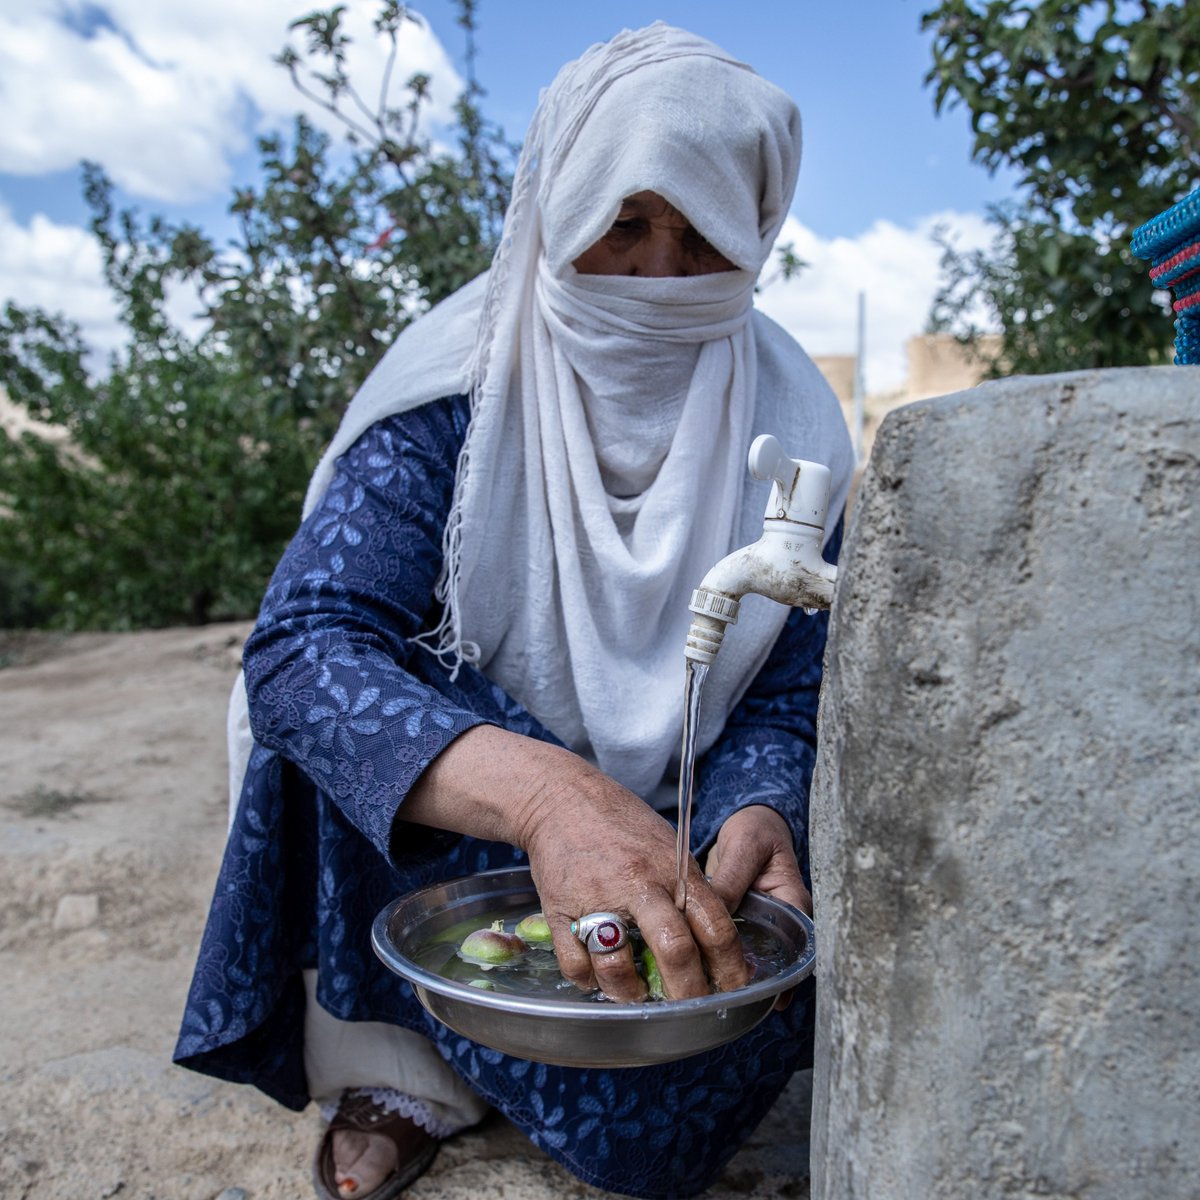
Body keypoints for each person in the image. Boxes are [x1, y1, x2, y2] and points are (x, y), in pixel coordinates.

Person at [175, 21, 854, 1200]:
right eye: (625, 222)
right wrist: (548, 797)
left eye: (703, 237)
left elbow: (789, 692)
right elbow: (299, 649)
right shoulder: (458, 389)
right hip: (459, 815)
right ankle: (400, 1067)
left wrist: (756, 804)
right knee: (340, 726)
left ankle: (543, 1036)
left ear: (758, 237)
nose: (656, 273)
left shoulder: (796, 437)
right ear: (558, 208)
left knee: (649, 1141)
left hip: (669, 827)